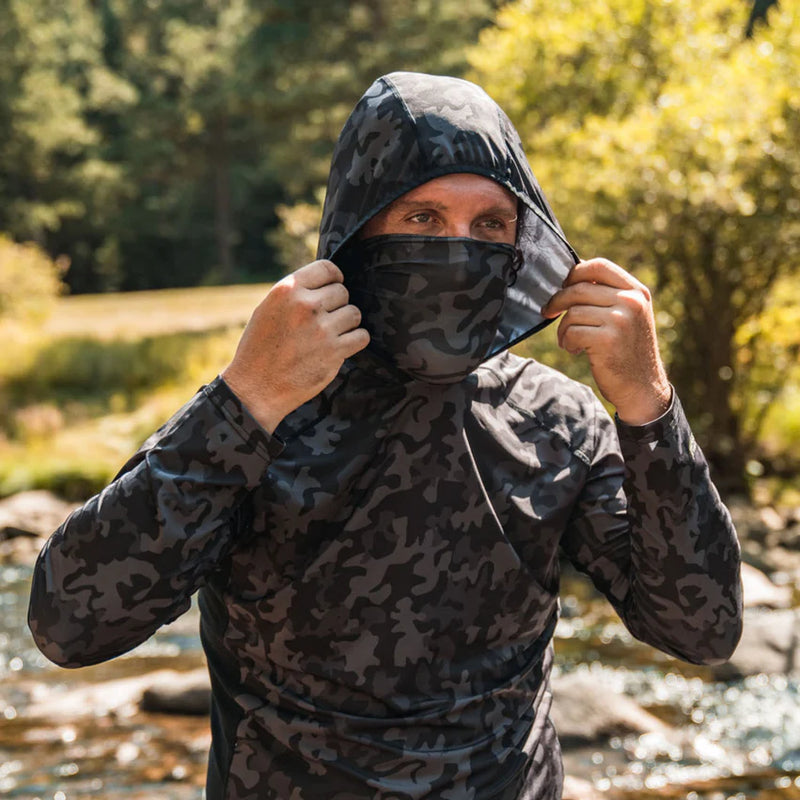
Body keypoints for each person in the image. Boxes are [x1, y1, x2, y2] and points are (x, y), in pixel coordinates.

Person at [28, 72, 742, 800]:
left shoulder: (556, 422)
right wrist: (244, 401)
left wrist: (650, 407)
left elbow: (701, 631)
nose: (458, 249)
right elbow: (69, 626)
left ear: (522, 242)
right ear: (357, 233)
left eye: (489, 225)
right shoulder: (262, 412)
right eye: (423, 219)